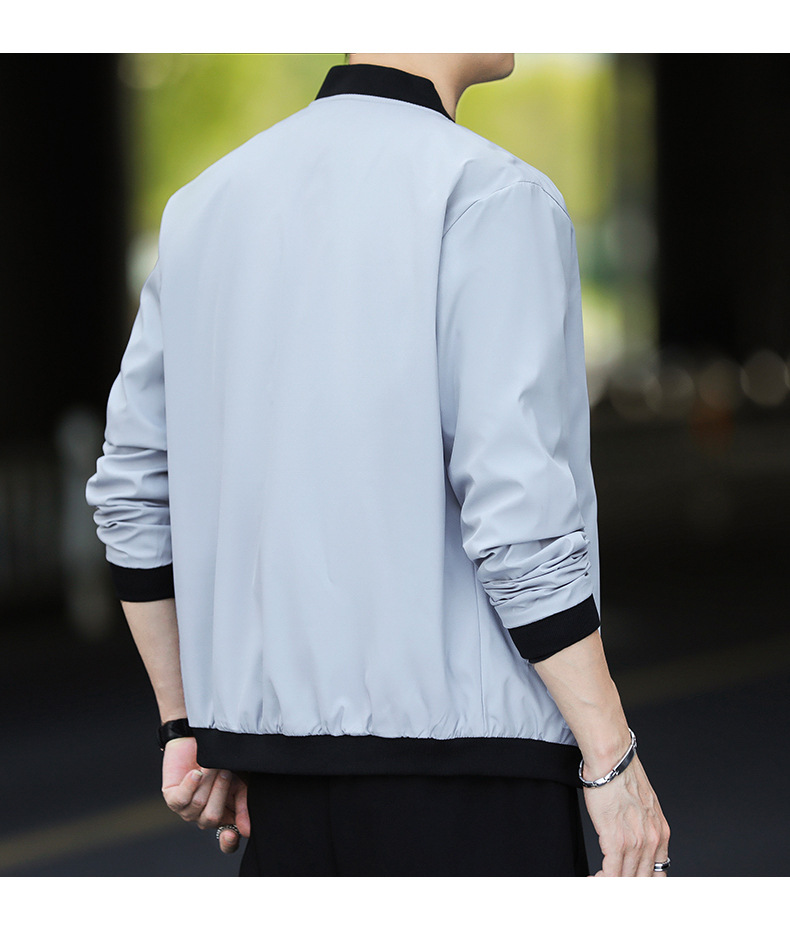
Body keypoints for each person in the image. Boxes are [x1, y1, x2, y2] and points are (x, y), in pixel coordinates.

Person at [85, 53, 670, 877]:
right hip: (470, 783)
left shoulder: (205, 205)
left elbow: (130, 487)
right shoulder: (491, 194)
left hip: (277, 786)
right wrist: (611, 756)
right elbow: (516, 512)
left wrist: (185, 722)